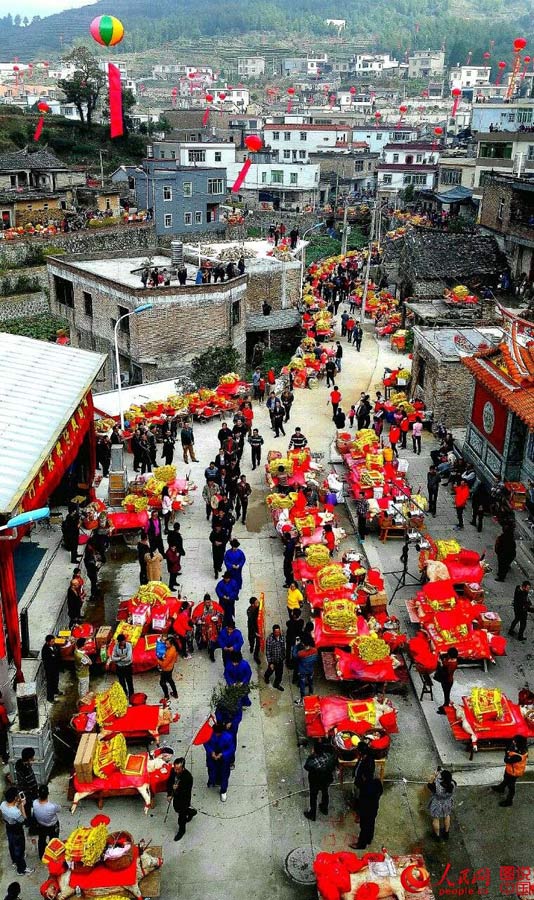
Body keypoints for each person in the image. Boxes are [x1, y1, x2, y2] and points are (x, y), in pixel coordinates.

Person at [0, 786, 33, 875]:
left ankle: (14, 860)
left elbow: (11, 809)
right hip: (17, 830)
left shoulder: (2, 804)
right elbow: (24, 819)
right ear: (15, 798)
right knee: (19, 849)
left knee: (11, 844)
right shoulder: (15, 812)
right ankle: (21, 869)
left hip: (9, 827)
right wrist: (22, 806)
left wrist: (17, 804)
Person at [304, 740, 337, 821]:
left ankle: (312, 814)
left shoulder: (313, 762)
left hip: (315, 782)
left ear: (314, 751)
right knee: (325, 793)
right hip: (326, 780)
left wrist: (311, 756)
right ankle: (324, 808)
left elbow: (306, 766)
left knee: (313, 797)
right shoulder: (328, 757)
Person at [491, 735, 529, 807]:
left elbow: (506, 760)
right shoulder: (522, 748)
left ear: (517, 744)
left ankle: (509, 801)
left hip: (513, 773)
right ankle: (501, 788)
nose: (513, 742)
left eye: (514, 741)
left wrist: (507, 753)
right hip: (510, 770)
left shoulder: (517, 756)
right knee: (506, 779)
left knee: (511, 786)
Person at [350, 774, 383, 849]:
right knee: (371, 824)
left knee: (364, 826)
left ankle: (361, 844)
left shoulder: (365, 786)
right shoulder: (377, 782)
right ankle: (369, 839)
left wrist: (357, 809)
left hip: (365, 809)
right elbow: (381, 792)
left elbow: (360, 799)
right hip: (373, 807)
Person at [166, 758, 196, 841]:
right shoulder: (173, 771)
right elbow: (169, 782)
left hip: (184, 799)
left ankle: (182, 830)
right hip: (176, 798)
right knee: (177, 809)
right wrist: (169, 793)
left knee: (181, 817)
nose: (176, 770)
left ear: (183, 768)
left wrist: (177, 788)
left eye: (178, 769)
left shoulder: (188, 777)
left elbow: (186, 791)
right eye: (175, 768)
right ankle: (192, 812)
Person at [205, 721, 235, 802]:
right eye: (215, 733)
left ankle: (223, 791)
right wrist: (211, 752)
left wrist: (222, 754)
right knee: (211, 770)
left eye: (218, 733)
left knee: (224, 774)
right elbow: (206, 743)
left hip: (224, 759)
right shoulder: (209, 734)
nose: (217, 735)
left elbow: (231, 749)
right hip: (212, 757)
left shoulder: (228, 737)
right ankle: (212, 781)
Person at [32, 785, 60, 859]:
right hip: (52, 826)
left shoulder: (34, 803)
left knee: (41, 840)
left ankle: (41, 855)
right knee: (54, 840)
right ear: (48, 794)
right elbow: (59, 809)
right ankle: (53, 855)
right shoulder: (52, 806)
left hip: (41, 825)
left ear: (38, 794)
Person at [427, 768, 456, 840]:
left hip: (437, 804)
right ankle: (446, 833)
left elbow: (429, 784)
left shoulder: (436, 785)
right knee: (446, 816)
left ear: (442, 778)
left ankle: (437, 836)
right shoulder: (453, 784)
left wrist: (434, 776)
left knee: (436, 819)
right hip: (447, 802)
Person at [293, 635, 317, 705]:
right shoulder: (315, 650)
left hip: (302, 671)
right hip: (311, 670)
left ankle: (302, 700)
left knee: (302, 685)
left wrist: (296, 646)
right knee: (311, 683)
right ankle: (311, 694)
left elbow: (294, 655)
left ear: (303, 644)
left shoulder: (301, 653)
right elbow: (315, 660)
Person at [434, 647, 458, 713]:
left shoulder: (452, 664)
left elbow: (445, 673)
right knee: (446, 694)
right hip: (446, 680)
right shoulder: (451, 659)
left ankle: (446, 709)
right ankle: (445, 705)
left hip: (447, 681)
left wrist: (440, 665)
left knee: (446, 695)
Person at [110, 634, 134, 699]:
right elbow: (112, 658)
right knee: (122, 682)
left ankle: (131, 695)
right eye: (120, 641)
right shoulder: (116, 646)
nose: (122, 643)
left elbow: (129, 658)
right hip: (119, 667)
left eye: (123, 641)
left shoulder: (129, 646)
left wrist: (118, 659)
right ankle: (124, 694)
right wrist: (121, 658)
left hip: (127, 666)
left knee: (129, 681)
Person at [264, 624, 285, 691]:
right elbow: (268, 652)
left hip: (280, 659)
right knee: (270, 671)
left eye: (278, 632)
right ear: (273, 632)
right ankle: (266, 677)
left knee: (279, 674)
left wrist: (283, 656)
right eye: (276, 632)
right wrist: (270, 663)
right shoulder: (269, 639)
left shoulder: (282, 637)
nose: (277, 633)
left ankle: (276, 684)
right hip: (273, 660)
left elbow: (283, 647)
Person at [41, 635, 61, 703]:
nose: (53, 642)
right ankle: (50, 698)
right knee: (50, 683)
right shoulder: (45, 650)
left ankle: (56, 690)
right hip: (50, 670)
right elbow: (46, 661)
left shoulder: (55, 646)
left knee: (56, 680)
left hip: (56, 667)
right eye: (52, 641)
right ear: (47, 642)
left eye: (53, 641)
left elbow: (58, 654)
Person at [159, 636, 179, 701]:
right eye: (166, 643)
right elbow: (175, 660)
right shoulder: (174, 648)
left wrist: (157, 660)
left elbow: (164, 664)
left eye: (167, 644)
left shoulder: (171, 652)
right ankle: (175, 693)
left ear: (171, 644)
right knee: (170, 680)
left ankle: (166, 696)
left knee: (162, 682)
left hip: (166, 669)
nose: (166, 645)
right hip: (170, 667)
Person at [247, 597, 261, 663]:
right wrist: (255, 632)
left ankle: (255, 656)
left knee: (258, 643)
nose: (258, 603)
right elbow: (251, 623)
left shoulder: (258, 607)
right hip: (252, 628)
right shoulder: (250, 611)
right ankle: (251, 647)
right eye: (256, 603)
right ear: (252, 604)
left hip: (258, 627)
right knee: (251, 639)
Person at [0, 692, 10, 764]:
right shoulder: (1, 709)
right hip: (1, 729)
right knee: (2, 743)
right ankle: (5, 758)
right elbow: (5, 721)